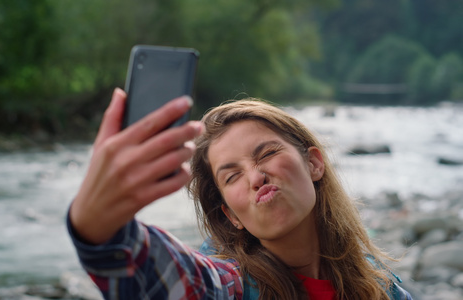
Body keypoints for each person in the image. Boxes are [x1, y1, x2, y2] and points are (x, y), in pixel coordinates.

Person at [67, 87, 414, 299]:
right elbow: (174, 278)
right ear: (230, 216)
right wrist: (97, 224)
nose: (256, 177)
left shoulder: (381, 287)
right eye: (232, 176)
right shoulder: (229, 287)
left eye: (267, 154)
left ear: (314, 164)